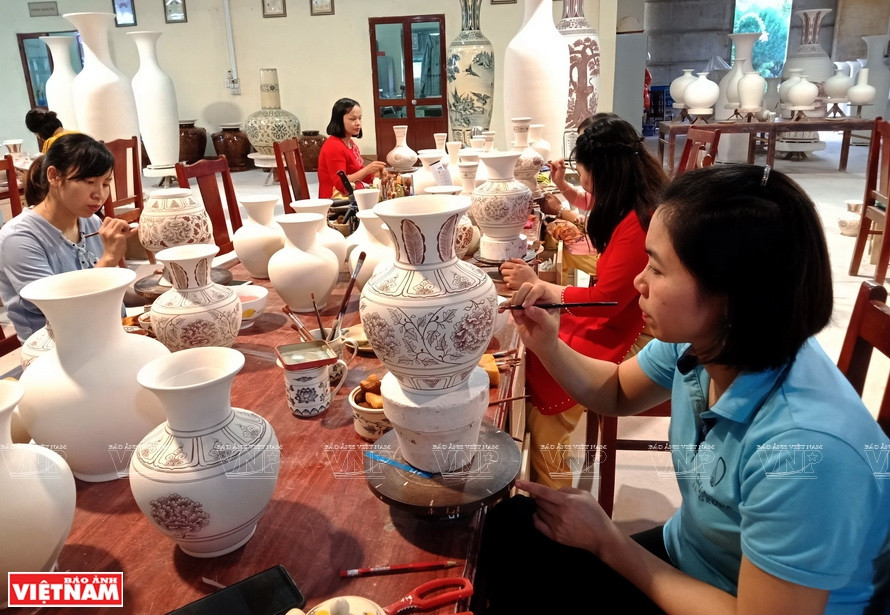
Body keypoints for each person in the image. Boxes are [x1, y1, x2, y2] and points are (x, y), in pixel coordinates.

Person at [480, 164, 890, 614]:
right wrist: (548, 344)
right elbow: (616, 390)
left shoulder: (806, 449)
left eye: (655, 268)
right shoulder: (706, 345)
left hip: (726, 599)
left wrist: (608, 542)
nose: (639, 282)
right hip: (694, 556)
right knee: (506, 530)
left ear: (730, 296)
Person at [502, 113, 668, 488]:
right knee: (538, 339)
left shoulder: (640, 221)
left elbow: (606, 298)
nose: (581, 175)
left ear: (603, 168)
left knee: (547, 359)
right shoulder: (630, 197)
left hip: (634, 329)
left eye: (583, 167)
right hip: (627, 311)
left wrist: (543, 287)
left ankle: (555, 495)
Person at [0, 133, 137, 341]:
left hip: (108, 334)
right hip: (55, 350)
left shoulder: (90, 222)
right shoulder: (19, 238)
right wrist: (109, 259)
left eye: (106, 183)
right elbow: (62, 312)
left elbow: (112, 293)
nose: (99, 194)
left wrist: (156, 289)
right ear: (54, 176)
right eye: (89, 181)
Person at [316, 98, 387, 199]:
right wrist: (367, 170)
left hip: (349, 196)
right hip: (335, 201)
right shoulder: (333, 146)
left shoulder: (351, 143)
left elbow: (358, 175)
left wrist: (376, 174)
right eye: (353, 119)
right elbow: (341, 184)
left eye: (360, 118)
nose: (358, 123)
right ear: (339, 120)